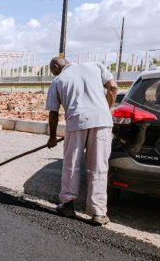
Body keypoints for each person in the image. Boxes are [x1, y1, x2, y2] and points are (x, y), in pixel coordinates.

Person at [46, 57, 118, 226]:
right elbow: (113, 87)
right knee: (98, 167)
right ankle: (98, 213)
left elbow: (53, 113)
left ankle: (68, 205)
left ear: (56, 66)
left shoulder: (58, 80)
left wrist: (52, 137)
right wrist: (103, 110)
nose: (54, 73)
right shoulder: (96, 66)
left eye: (53, 70)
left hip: (76, 123)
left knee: (71, 165)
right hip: (102, 122)